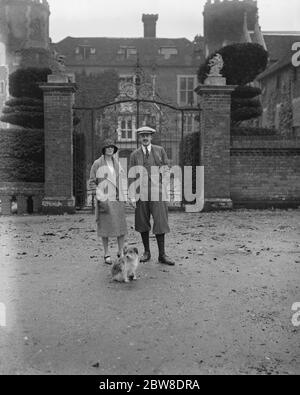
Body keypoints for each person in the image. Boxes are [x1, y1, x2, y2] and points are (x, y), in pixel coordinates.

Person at [129, 126, 175, 266]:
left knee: (160, 221)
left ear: (151, 137)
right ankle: (147, 252)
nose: (145, 138)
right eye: (142, 135)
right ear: (139, 138)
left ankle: (162, 254)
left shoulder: (159, 150)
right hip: (141, 193)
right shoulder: (134, 155)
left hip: (157, 192)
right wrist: (131, 196)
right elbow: (131, 176)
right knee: (142, 222)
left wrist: (164, 187)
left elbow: (166, 170)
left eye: (147, 135)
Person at [89, 139, 127, 265]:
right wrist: (99, 195)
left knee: (120, 227)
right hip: (104, 199)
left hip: (117, 198)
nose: (110, 149)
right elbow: (92, 181)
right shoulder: (97, 163)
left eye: (112, 147)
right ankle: (106, 253)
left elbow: (122, 179)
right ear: (103, 149)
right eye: (107, 147)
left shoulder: (117, 163)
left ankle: (120, 251)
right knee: (105, 227)